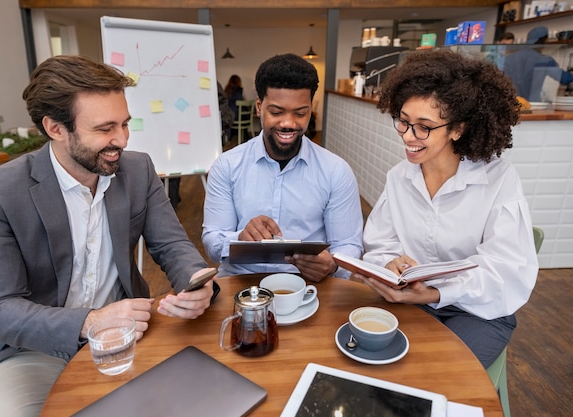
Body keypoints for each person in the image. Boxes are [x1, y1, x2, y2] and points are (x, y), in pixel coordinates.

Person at [0, 55, 217, 416]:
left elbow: (172, 244)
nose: (122, 140)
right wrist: (90, 321)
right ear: (55, 128)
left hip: (129, 338)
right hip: (31, 351)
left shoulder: (138, 169)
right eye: (104, 128)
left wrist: (195, 280)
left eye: (125, 124)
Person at [353, 49, 538, 368]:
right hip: (412, 302)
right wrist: (390, 264)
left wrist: (434, 293)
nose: (409, 137)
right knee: (371, 362)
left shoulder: (497, 179)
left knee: (433, 377)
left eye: (424, 126)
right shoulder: (400, 177)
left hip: (478, 311)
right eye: (404, 122)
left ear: (458, 129)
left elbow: (506, 272)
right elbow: (380, 244)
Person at [202, 53, 363, 282]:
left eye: (300, 113)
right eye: (276, 112)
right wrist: (240, 237)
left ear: (311, 109)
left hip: (310, 286)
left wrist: (332, 265)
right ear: (259, 107)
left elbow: (348, 244)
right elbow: (212, 242)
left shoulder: (336, 171)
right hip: (240, 283)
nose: (288, 123)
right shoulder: (227, 165)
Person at [503, 26, 573, 101]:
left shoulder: (508, 59)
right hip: (532, 106)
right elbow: (565, 79)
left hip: (510, 104)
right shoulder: (544, 60)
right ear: (544, 40)